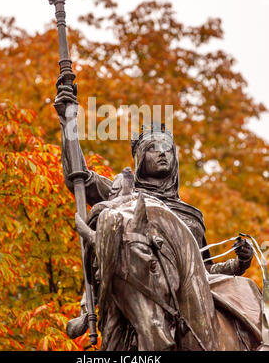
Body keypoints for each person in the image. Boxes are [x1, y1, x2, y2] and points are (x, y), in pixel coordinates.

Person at [54, 82, 253, 277]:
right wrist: (68, 121)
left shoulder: (192, 216)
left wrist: (240, 263)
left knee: (246, 291)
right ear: (140, 158)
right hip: (135, 294)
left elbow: (203, 274)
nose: (162, 153)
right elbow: (78, 177)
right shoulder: (124, 196)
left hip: (186, 300)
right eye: (153, 148)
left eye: (167, 148)